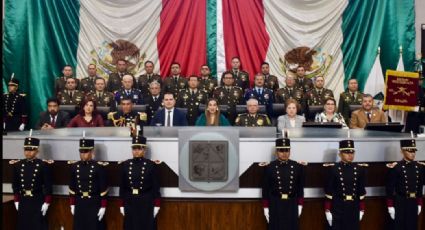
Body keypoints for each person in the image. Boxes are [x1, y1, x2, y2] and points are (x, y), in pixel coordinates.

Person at [10, 134, 53, 230]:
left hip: (37, 201)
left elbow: (48, 186)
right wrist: (16, 200)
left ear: (37, 151)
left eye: (31, 150)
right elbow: (15, 185)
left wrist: (47, 202)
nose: (28, 152)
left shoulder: (43, 165)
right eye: (26, 150)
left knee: (38, 226)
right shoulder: (18, 165)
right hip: (23, 200)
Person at [119, 133, 161, 230]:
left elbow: (156, 187)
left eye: (139, 149)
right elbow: (122, 186)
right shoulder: (126, 164)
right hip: (130, 201)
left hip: (146, 202)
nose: (136, 151)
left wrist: (157, 204)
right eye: (134, 149)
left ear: (144, 150)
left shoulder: (151, 165)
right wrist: (121, 204)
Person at [262, 138, 306, 230]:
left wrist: (300, 205)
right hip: (275, 204)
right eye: (281, 150)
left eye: (287, 150)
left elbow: (300, 187)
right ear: (276, 152)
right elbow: (265, 189)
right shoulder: (270, 167)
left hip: (292, 203)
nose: (285, 153)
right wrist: (265, 207)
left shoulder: (297, 167)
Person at [324, 139, 367, 230]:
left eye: (352, 153)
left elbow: (361, 191)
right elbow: (329, 192)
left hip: (353, 206)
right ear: (340, 154)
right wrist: (327, 210)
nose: (350, 155)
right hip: (338, 207)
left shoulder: (359, 169)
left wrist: (362, 209)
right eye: (346, 153)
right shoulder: (333, 169)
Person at [69, 138, 108, 230]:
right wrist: (72, 204)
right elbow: (72, 187)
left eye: (85, 151)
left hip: (94, 202)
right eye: (81, 151)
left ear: (91, 151)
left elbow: (103, 189)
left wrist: (103, 206)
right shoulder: (74, 167)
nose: (83, 154)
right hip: (80, 202)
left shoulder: (98, 167)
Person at [386, 138, 424, 230]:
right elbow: (389, 188)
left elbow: (419, 187)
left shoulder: (419, 167)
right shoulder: (396, 167)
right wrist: (390, 206)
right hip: (400, 202)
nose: (413, 153)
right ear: (402, 151)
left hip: (413, 202)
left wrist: (419, 203)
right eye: (409, 151)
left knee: (412, 226)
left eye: (414, 151)